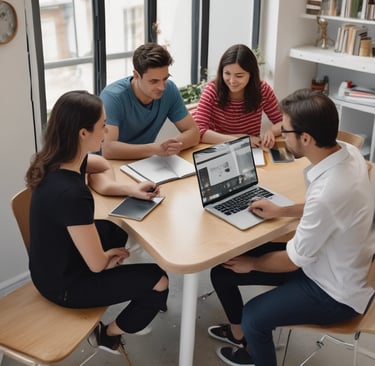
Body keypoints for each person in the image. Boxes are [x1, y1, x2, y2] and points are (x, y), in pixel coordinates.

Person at [209, 89, 375, 366]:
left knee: (254, 315)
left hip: (333, 290)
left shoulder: (329, 191)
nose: (279, 136)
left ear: (306, 138)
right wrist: (282, 211)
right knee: (223, 271)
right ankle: (241, 337)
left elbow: (291, 261)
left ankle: (253, 348)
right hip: (327, 259)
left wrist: (252, 263)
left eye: (284, 131)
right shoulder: (349, 153)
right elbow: (328, 211)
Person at [25, 90, 169, 354]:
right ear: (83, 133)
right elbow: (96, 264)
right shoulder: (71, 194)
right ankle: (107, 334)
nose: (106, 131)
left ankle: (128, 288)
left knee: (116, 227)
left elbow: (101, 164)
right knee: (159, 281)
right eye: (102, 125)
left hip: (47, 266)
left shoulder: (58, 159)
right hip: (64, 287)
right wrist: (108, 258)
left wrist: (132, 190)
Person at [100, 42, 200, 160]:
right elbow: (108, 149)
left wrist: (168, 146)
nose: (162, 87)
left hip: (143, 162)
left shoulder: (169, 90)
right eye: (153, 81)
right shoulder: (112, 97)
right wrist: (155, 149)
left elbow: (194, 133)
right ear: (136, 75)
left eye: (165, 79)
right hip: (105, 165)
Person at [193, 44, 282, 148]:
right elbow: (198, 132)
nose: (232, 81)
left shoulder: (262, 90)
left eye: (239, 76)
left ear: (251, 74)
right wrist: (240, 140)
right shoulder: (212, 90)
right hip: (219, 148)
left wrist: (271, 131)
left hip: (251, 148)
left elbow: (285, 122)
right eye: (227, 73)